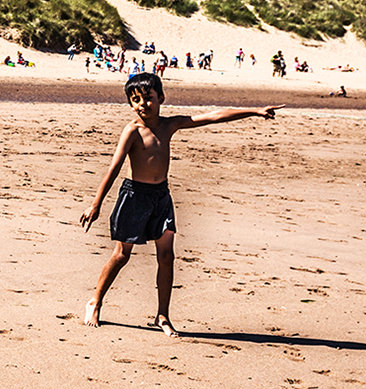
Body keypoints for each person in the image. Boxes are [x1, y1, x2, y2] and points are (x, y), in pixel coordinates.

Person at [78, 74, 280, 333]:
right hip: (134, 197)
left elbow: (211, 116)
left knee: (166, 255)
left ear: (161, 98)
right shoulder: (132, 131)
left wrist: (254, 111)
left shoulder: (169, 125)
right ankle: (95, 301)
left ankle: (162, 316)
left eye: (148, 99)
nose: (143, 105)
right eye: (136, 100)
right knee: (121, 255)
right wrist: (95, 204)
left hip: (161, 197)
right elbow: (114, 167)